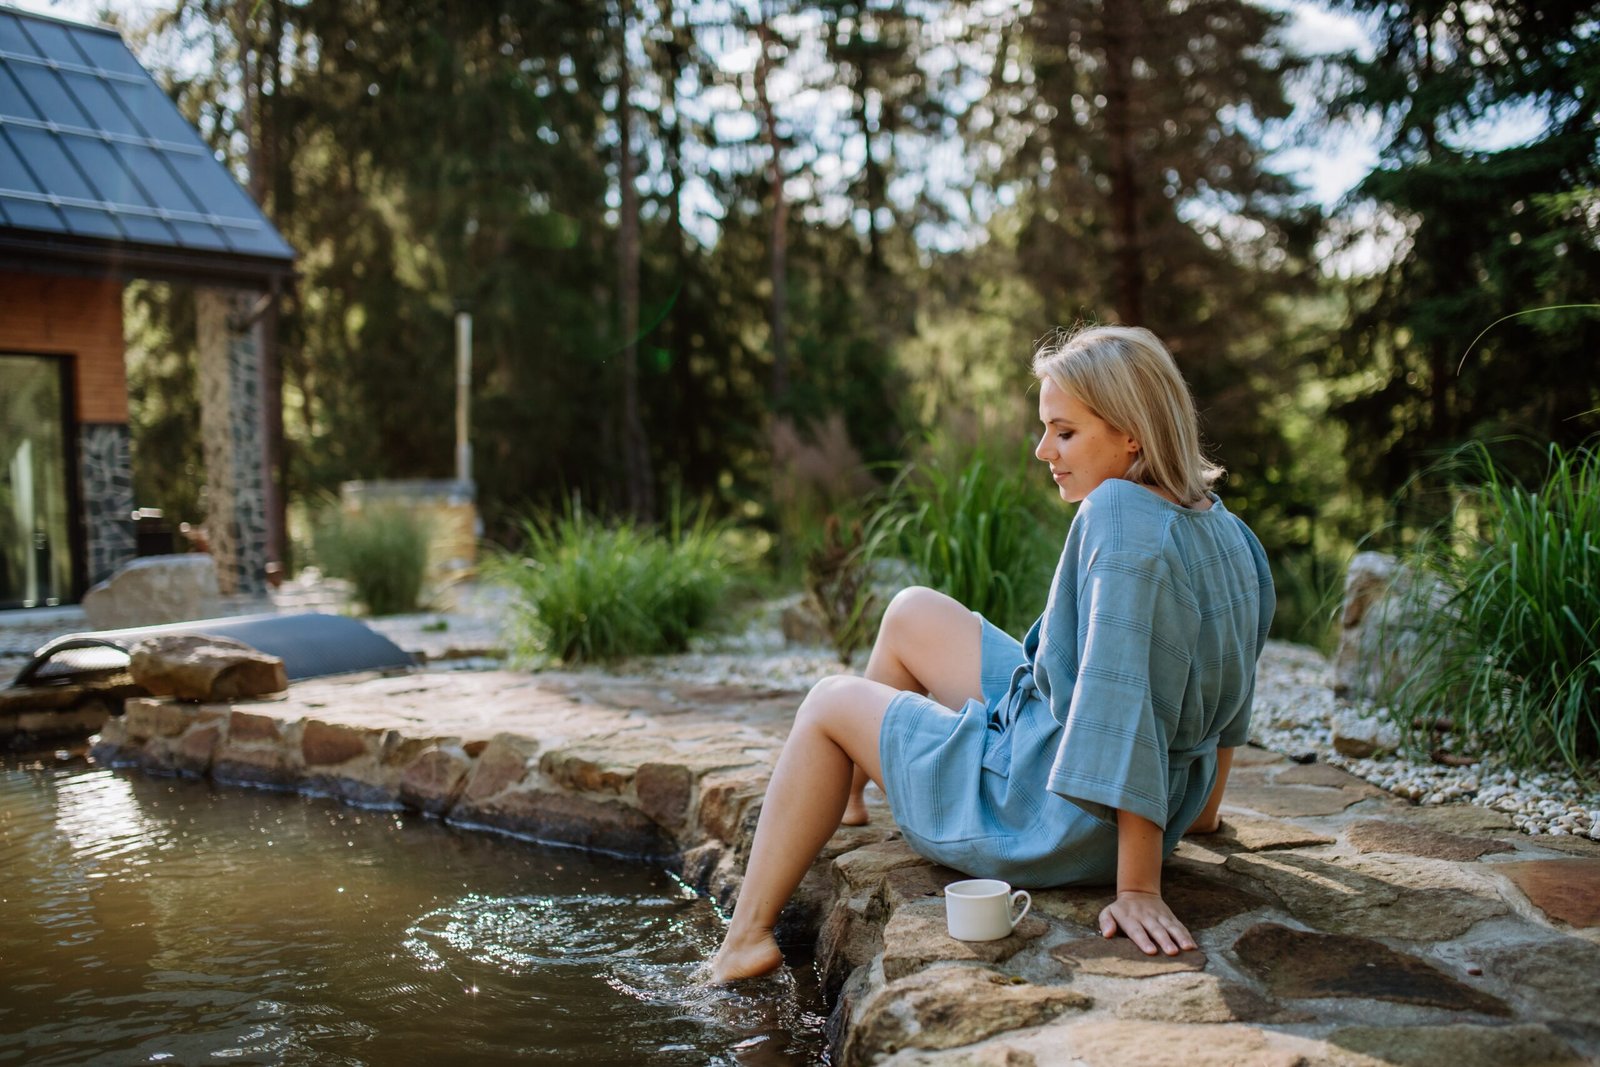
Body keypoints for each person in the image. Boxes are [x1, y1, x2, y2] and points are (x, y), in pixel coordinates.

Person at [710, 324, 1274, 983]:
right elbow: (1232, 677)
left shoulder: (1118, 515)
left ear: (1132, 434)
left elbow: (1126, 702)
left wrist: (1139, 887)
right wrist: (1200, 810)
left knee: (828, 701)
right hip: (1109, 771)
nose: (1043, 450)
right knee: (909, 610)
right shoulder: (1224, 523)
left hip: (1050, 810)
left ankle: (745, 938)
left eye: (1064, 432)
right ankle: (846, 793)